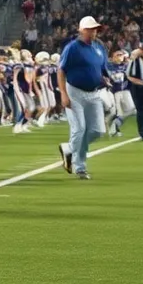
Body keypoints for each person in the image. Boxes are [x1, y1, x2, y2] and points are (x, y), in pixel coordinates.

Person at [56, 15, 109, 180]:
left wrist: (105, 79)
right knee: (79, 129)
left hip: (94, 93)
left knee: (97, 130)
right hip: (75, 92)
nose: (93, 32)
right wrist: (63, 93)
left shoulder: (99, 48)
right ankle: (80, 166)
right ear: (81, 30)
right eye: (90, 29)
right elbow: (61, 70)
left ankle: (69, 148)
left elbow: (101, 69)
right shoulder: (72, 48)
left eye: (94, 29)